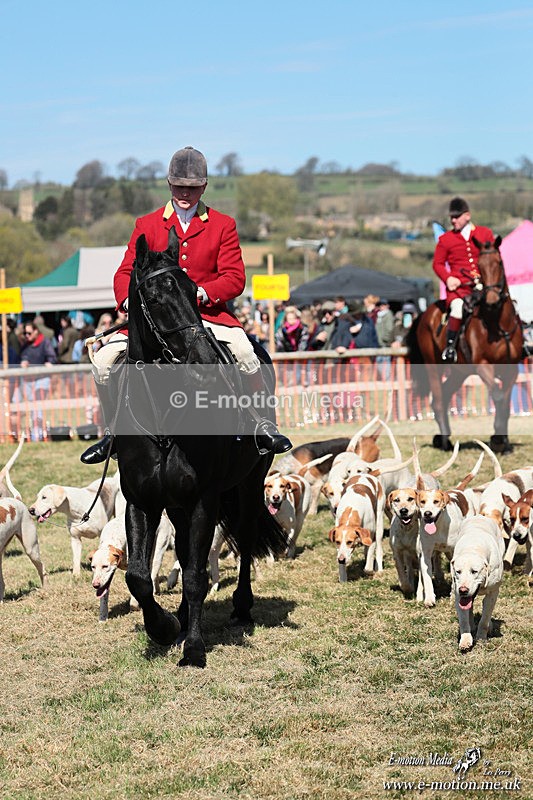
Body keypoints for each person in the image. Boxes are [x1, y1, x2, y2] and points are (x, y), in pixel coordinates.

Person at [81, 146, 291, 464]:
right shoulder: (147, 225)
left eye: (192, 187)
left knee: (247, 353)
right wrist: (128, 301)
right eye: (179, 186)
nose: (184, 193)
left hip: (206, 315)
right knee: (103, 359)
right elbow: (125, 271)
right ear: (169, 184)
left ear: (203, 187)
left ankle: (259, 422)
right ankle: (113, 431)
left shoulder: (222, 225)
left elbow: (235, 278)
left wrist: (202, 293)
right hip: (156, 319)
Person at [433, 197, 495, 362]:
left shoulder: (485, 233)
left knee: (500, 303)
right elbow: (437, 264)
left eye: (457, 216)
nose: (453, 220)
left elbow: (493, 259)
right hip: (460, 289)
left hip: (483, 286)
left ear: (467, 215)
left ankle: (519, 343)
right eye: (451, 217)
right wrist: (448, 279)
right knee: (458, 309)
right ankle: (450, 348)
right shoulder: (445, 239)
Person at [17, 321, 57, 440]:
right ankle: (34, 433)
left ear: (36, 331)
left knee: (37, 406)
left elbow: (52, 357)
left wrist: (49, 363)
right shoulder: (25, 345)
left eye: (29, 333)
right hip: (29, 380)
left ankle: (37, 435)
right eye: (25, 333)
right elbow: (23, 356)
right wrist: (23, 362)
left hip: (42, 379)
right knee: (32, 406)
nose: (27, 336)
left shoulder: (45, 342)